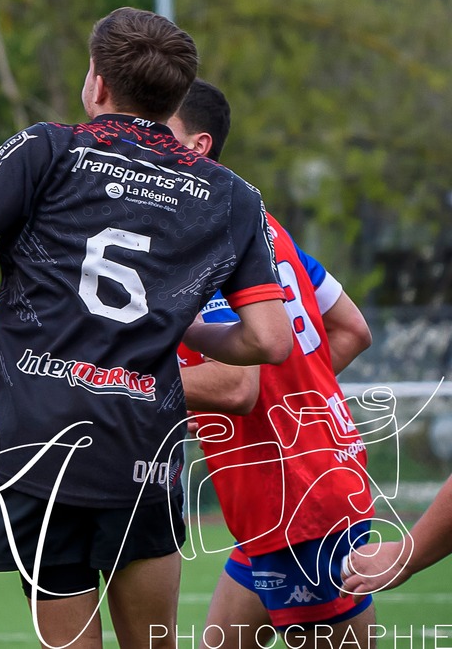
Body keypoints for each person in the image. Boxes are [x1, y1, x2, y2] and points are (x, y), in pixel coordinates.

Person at [0, 8, 294, 649]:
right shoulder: (230, 196)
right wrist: (182, 328)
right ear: (175, 96)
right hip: (144, 448)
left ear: (97, 84)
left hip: (39, 448)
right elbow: (269, 340)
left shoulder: (49, 150)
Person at [167, 82, 378, 649]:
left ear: (199, 147)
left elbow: (236, 385)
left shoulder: (202, 231)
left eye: (160, 133)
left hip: (293, 495)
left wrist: (120, 389)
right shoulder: (263, 224)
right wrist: (296, 401)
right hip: (300, 480)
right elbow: (352, 329)